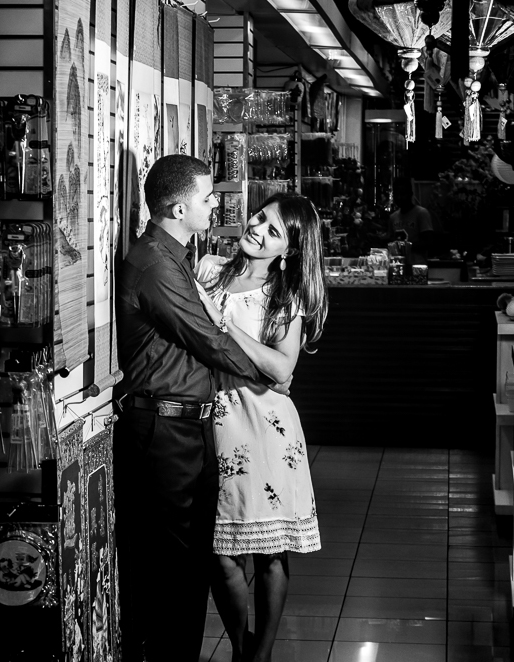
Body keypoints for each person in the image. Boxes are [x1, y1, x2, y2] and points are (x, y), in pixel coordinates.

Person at [115, 154, 291, 662]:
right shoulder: (155, 263)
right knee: (177, 567)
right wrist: (272, 371)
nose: (217, 204)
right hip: (163, 428)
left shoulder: (175, 256)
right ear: (176, 206)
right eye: (207, 197)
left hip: (185, 426)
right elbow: (209, 339)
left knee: (189, 562)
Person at [194, 192, 328, 662]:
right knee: (220, 550)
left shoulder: (284, 295)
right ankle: (239, 645)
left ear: (288, 251)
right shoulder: (208, 268)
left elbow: (281, 367)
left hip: (266, 427)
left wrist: (224, 326)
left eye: (274, 232)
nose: (258, 230)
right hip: (214, 420)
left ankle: (261, 655)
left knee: (270, 549)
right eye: (259, 218)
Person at [388, 176, 433, 264]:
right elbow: (391, 241)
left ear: (410, 194)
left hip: (417, 267)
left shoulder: (421, 213)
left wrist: (404, 246)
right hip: (397, 266)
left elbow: (428, 243)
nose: (399, 197)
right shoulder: (393, 217)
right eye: (397, 194)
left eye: (403, 194)